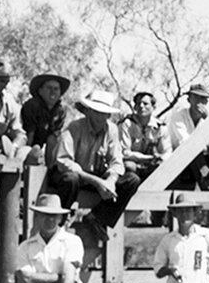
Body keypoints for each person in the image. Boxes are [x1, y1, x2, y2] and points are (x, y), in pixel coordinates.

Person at [48, 89, 141, 242]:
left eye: (103, 113)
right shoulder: (74, 127)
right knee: (70, 179)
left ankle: (97, 219)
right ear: (88, 111)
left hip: (96, 177)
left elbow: (116, 161)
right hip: (72, 175)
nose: (99, 116)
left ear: (108, 115)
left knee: (132, 180)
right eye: (96, 112)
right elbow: (64, 161)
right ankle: (59, 224)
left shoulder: (111, 130)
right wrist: (97, 182)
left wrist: (110, 181)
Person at [166, 83, 209, 192]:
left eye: (203, 98)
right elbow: (186, 143)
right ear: (189, 99)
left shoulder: (207, 119)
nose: (200, 101)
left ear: (206, 102)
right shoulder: (179, 115)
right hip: (181, 164)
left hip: (202, 163)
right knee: (193, 152)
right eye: (196, 97)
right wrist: (205, 146)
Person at [21, 72, 71, 168]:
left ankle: (50, 171)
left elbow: (53, 138)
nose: (53, 92)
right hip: (26, 144)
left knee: (55, 139)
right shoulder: (32, 106)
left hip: (43, 147)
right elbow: (29, 134)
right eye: (49, 88)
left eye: (56, 89)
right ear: (40, 91)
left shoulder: (61, 110)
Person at [119, 90, 171, 181]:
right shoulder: (127, 124)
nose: (141, 106)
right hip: (132, 165)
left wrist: (159, 159)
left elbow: (167, 153)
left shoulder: (160, 127)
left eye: (145, 103)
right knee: (129, 166)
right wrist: (148, 158)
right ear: (135, 107)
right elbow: (125, 153)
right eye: (138, 103)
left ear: (153, 107)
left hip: (152, 166)